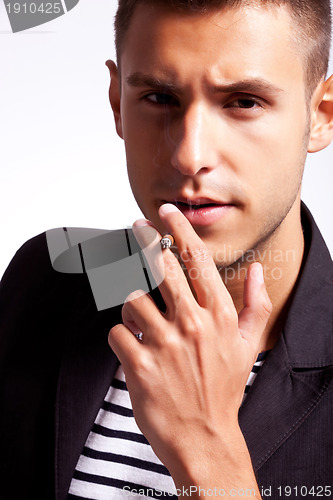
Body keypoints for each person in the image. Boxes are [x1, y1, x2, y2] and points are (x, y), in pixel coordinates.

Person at [0, 0, 332, 499]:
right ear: (116, 102)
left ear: (321, 116)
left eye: (243, 101)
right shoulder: (50, 275)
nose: (188, 155)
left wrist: (205, 447)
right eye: (159, 97)